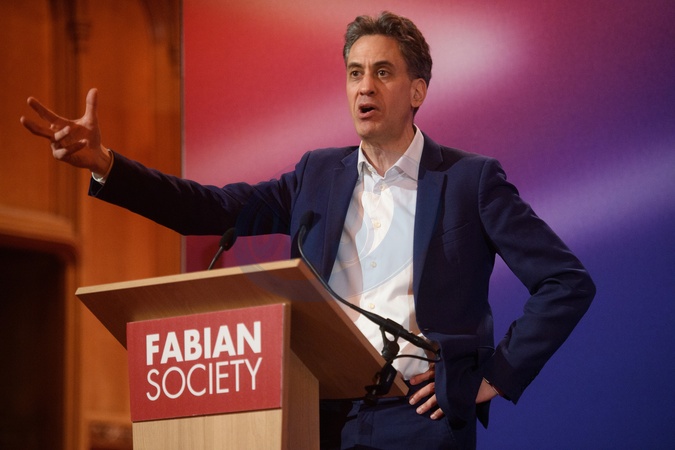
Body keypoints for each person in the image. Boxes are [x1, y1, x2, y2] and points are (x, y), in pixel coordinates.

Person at [21, 11, 595, 450]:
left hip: (420, 418)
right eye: (354, 73)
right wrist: (107, 166)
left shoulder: (469, 181)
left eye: (383, 72)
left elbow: (566, 282)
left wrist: (494, 376)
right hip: (319, 415)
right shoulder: (317, 175)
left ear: (417, 91)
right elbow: (211, 209)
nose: (365, 87)